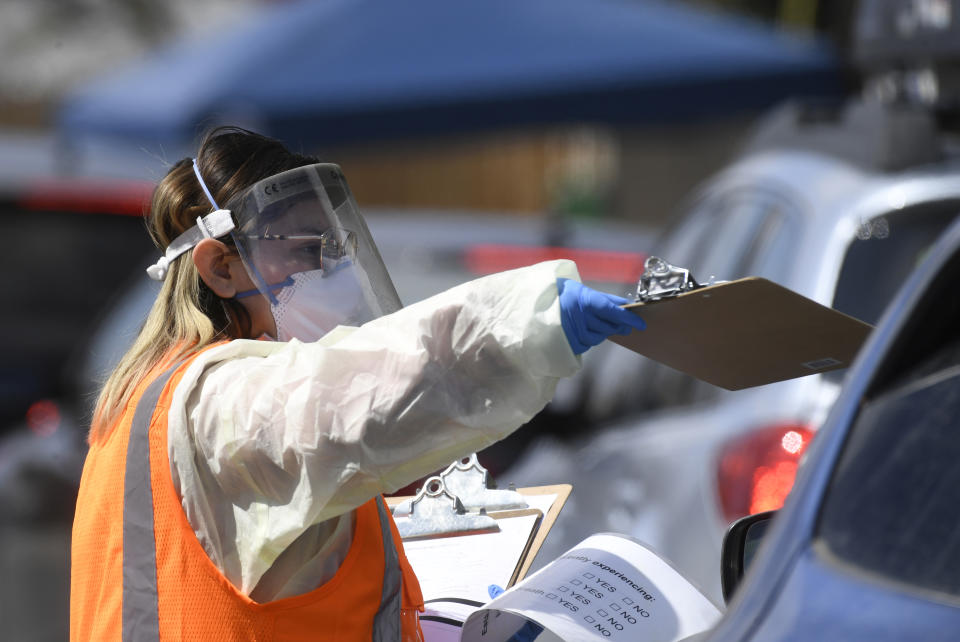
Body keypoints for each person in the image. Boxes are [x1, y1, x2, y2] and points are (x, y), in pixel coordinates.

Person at [69, 126, 646, 641]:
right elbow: (361, 398)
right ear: (221, 267)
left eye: (337, 248)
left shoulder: (151, 397)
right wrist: (530, 322)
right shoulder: (225, 399)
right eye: (306, 250)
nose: (333, 272)